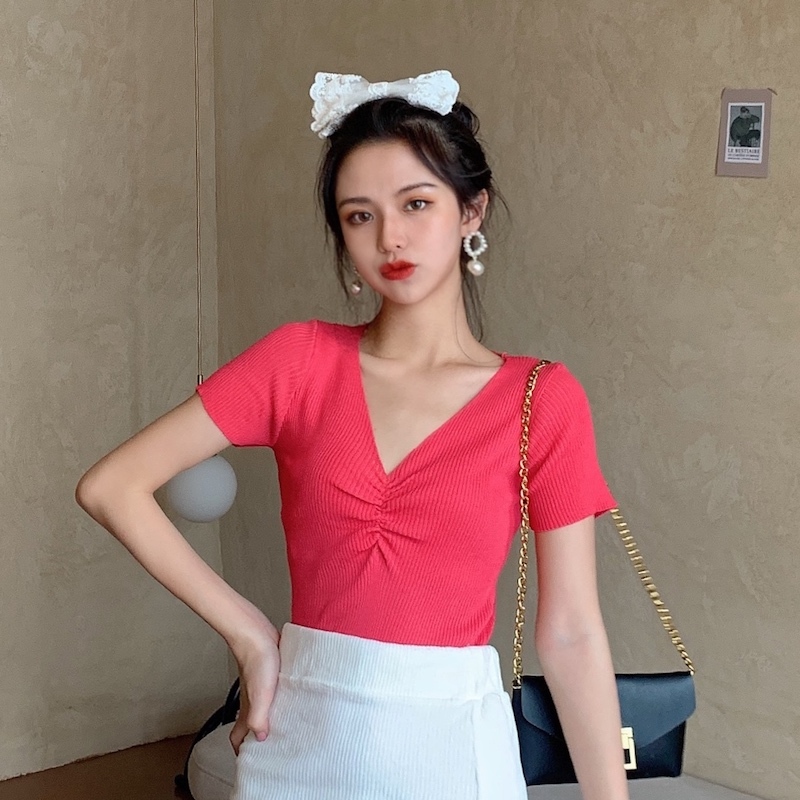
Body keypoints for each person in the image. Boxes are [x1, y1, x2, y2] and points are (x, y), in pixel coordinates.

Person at [76, 70, 630, 800]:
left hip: (454, 755)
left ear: (472, 209)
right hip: (297, 742)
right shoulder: (298, 362)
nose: (389, 237)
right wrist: (249, 634)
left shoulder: (541, 398)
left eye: (416, 204)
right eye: (359, 215)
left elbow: (571, 634)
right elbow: (111, 487)